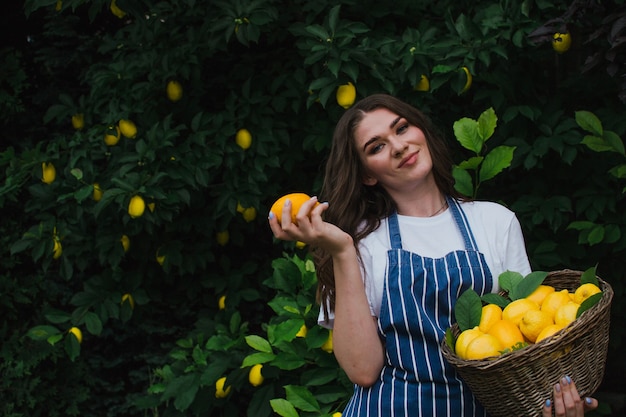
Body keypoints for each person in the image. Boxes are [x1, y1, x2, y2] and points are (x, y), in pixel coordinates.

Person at [268, 94, 598, 417]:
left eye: (402, 128)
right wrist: (342, 252)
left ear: (421, 132)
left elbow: (526, 341)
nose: (398, 146)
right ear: (367, 174)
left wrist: (552, 404)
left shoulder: (494, 221)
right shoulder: (360, 242)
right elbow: (362, 371)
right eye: (377, 146)